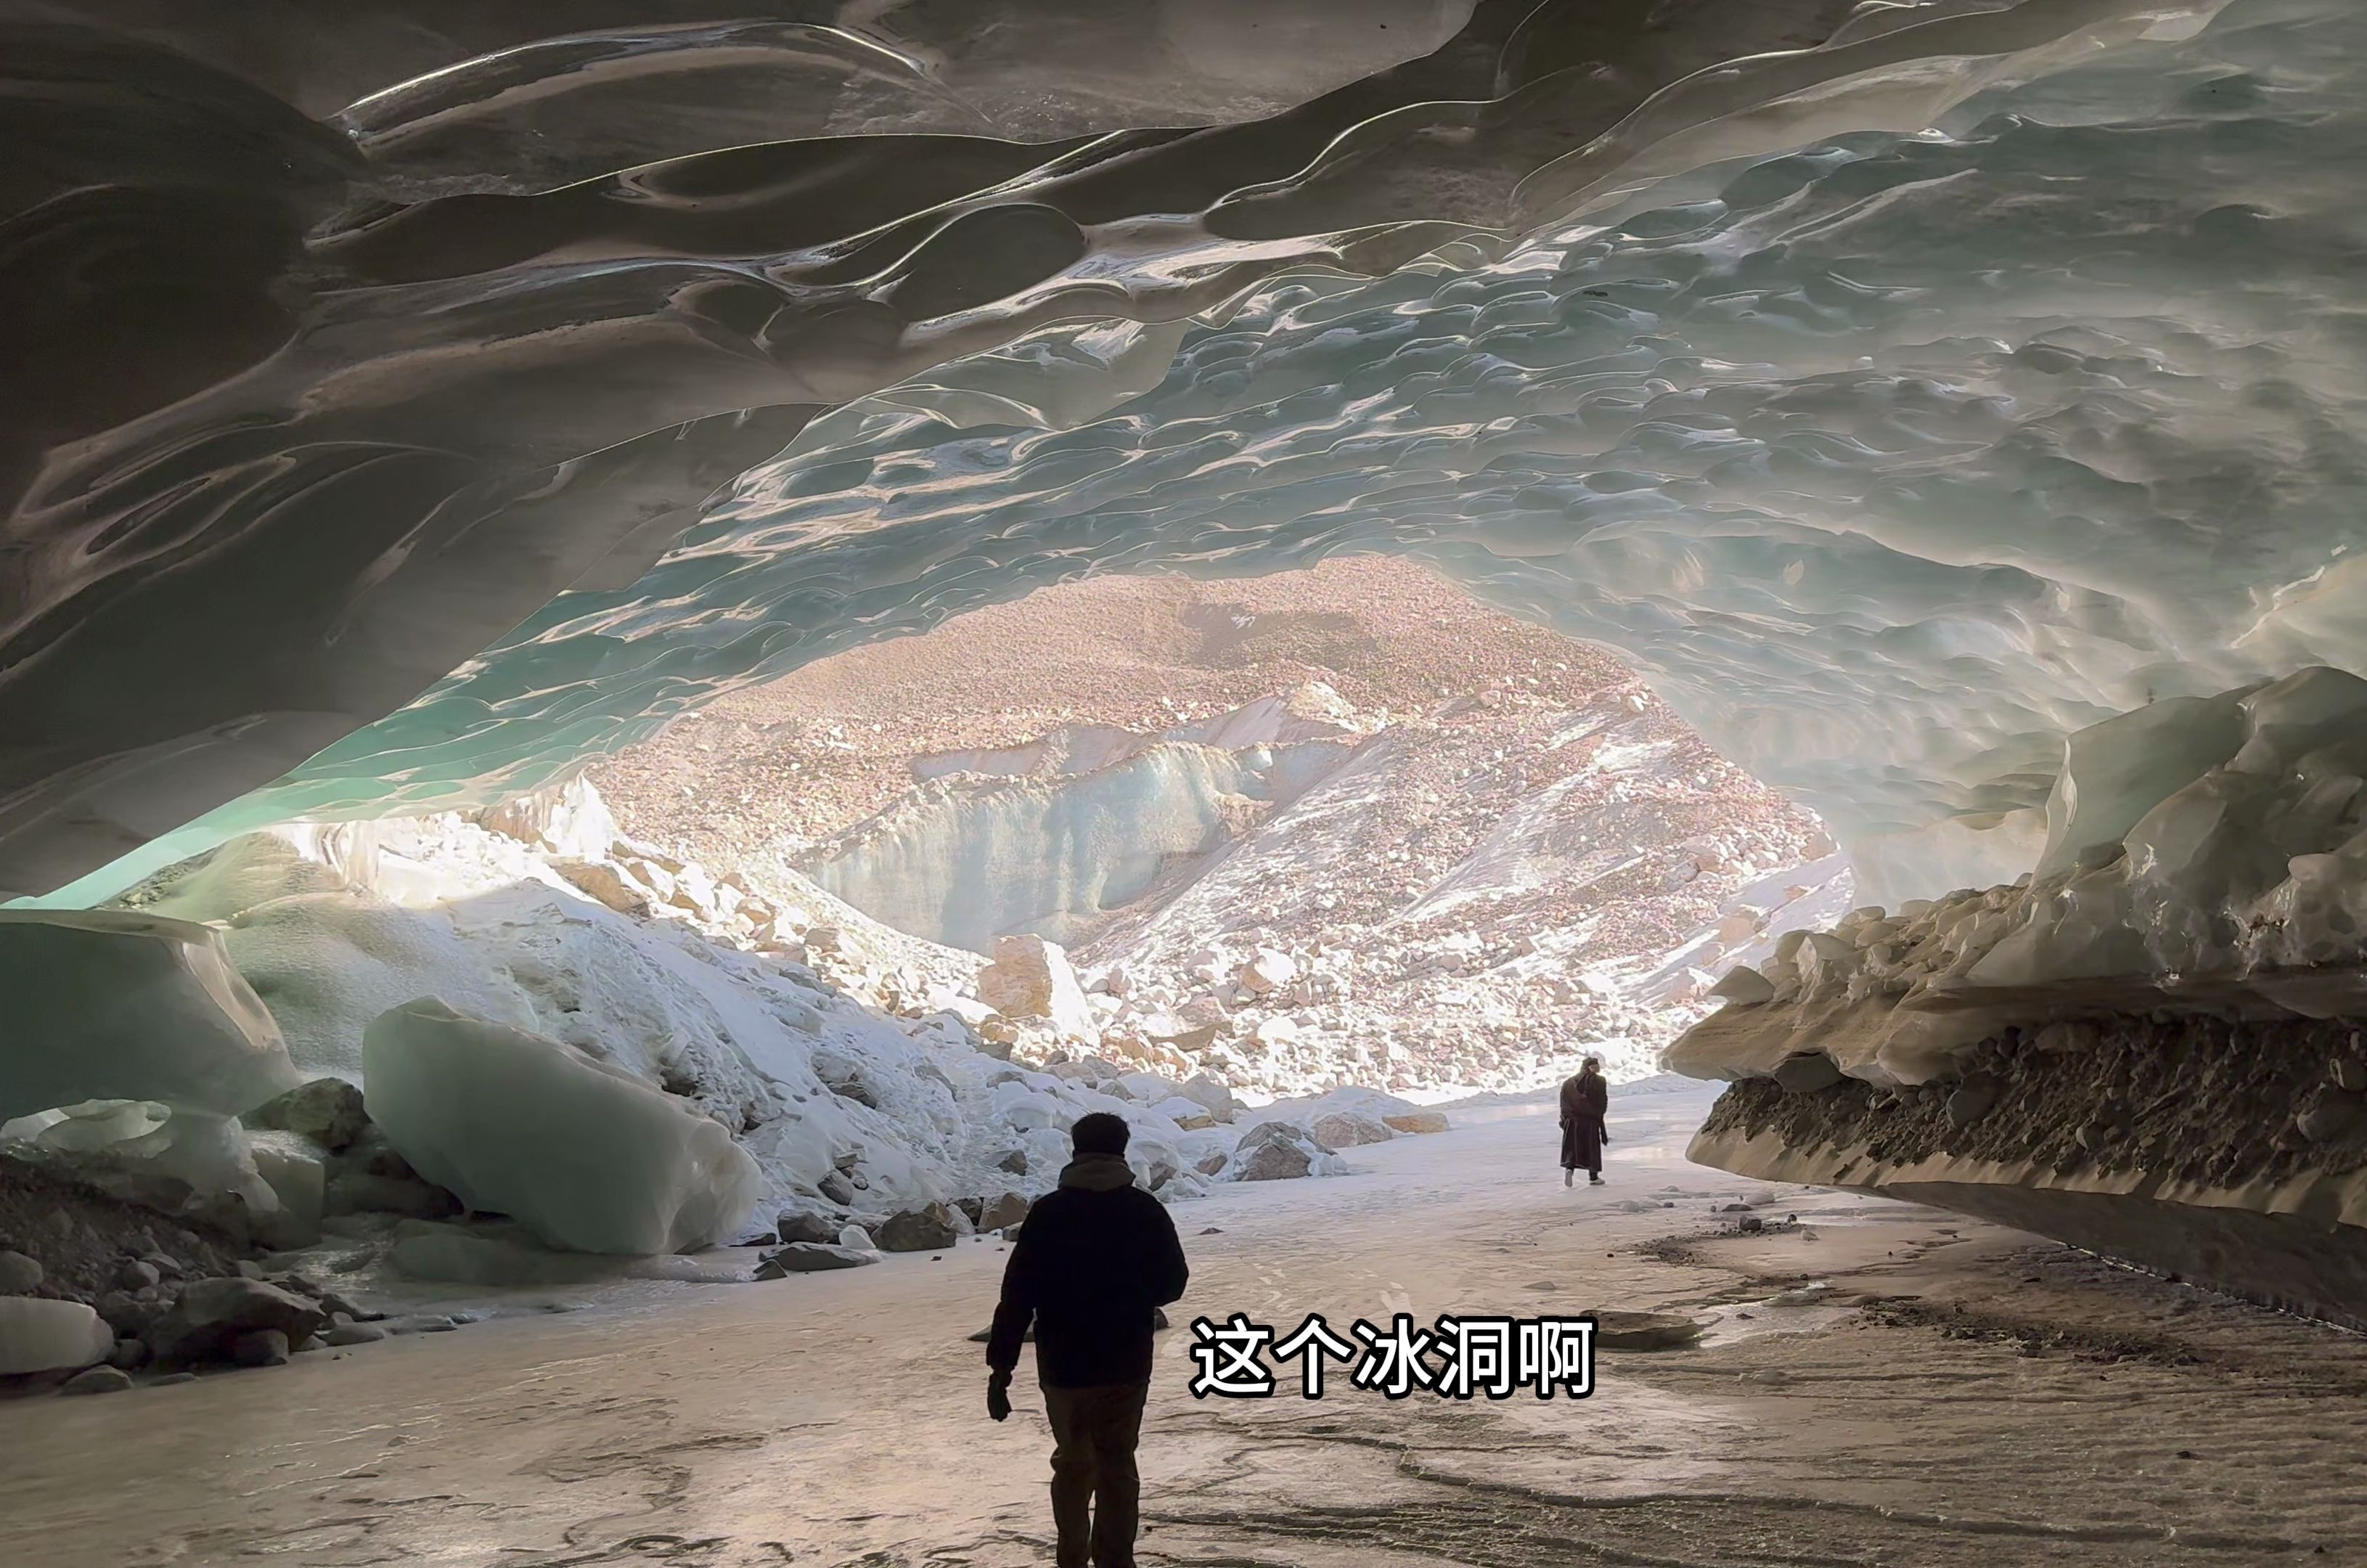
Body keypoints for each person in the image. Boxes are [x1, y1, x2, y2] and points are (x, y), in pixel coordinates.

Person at [987, 1111, 1189, 1568]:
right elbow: (1173, 1284)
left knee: (1073, 1465)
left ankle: (1071, 1559)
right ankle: (1117, 1561)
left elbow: (1017, 1294)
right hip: (1126, 1362)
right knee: (1117, 1465)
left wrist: (1001, 1367)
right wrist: (1132, 1295)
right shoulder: (1144, 1210)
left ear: (1075, 1151)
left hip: (1064, 1366)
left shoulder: (1049, 1212)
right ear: (1122, 1150)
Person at [1559, 1055, 1609, 1187]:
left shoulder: (1569, 1082)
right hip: (1590, 1121)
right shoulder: (1599, 1081)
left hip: (1572, 1120)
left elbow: (1564, 1102)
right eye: (1595, 1066)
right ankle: (1593, 1177)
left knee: (1573, 1147)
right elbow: (1602, 1101)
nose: (1597, 1069)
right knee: (1591, 1148)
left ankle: (1569, 1169)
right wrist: (1599, 1114)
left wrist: (1564, 1120)